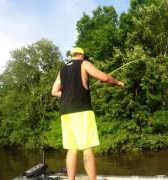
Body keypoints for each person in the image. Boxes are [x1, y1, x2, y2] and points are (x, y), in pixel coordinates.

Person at [51, 47, 124, 180]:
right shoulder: (84, 63)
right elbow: (105, 78)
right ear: (81, 54)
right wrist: (117, 83)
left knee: (71, 149)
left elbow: (54, 91)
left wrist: (69, 94)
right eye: (84, 56)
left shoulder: (63, 68)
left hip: (66, 113)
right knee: (87, 149)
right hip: (82, 112)